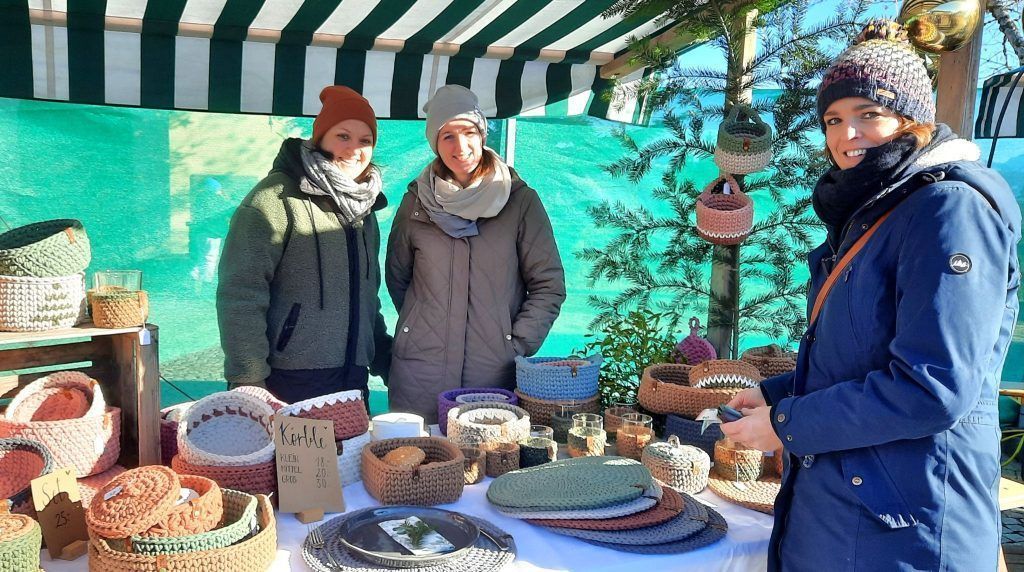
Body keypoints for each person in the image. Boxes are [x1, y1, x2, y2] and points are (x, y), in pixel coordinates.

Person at [720, 20, 1021, 571]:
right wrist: (775, 394)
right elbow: (860, 358)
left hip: (908, 525)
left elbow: (933, 387)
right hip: (851, 513)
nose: (846, 135)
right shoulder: (875, 210)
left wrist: (788, 423)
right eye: (834, 119)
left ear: (912, 121)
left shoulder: (949, 211)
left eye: (869, 115)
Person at [385, 85, 566, 424]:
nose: (460, 146)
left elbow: (548, 285)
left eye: (468, 131)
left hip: (492, 375)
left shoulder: (519, 202)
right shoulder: (416, 202)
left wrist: (514, 344)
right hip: (419, 374)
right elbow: (399, 279)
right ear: (435, 143)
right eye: (447, 136)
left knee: (487, 465)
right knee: (415, 467)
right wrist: (419, 325)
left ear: (482, 132)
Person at [217, 86, 392, 406]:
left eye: (365, 141)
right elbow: (240, 294)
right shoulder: (273, 199)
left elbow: (366, 297)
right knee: (288, 460)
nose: (354, 149)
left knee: (352, 458)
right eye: (343, 136)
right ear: (320, 138)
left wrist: (384, 357)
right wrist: (248, 379)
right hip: (288, 380)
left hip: (353, 379)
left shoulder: (365, 209)